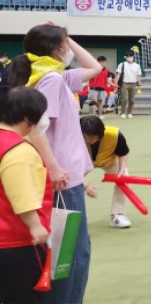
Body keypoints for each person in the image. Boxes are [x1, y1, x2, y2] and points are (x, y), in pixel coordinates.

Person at [9, 24, 102, 304]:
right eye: (64, 43)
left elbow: (94, 68)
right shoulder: (50, 79)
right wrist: (53, 166)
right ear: (55, 49)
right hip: (62, 177)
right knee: (70, 254)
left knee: (70, 251)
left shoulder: (53, 75)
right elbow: (36, 124)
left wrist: (67, 39)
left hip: (66, 175)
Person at [0, 87, 51, 304]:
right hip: (16, 242)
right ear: (27, 119)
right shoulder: (19, 150)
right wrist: (34, 224)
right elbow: (21, 191)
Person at [80, 115, 132, 228]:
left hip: (110, 161)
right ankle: (80, 216)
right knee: (72, 183)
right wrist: (86, 186)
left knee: (124, 179)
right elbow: (73, 170)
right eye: (85, 137)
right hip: (83, 163)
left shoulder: (115, 135)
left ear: (101, 133)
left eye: (92, 137)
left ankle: (118, 215)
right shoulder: (74, 137)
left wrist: (122, 169)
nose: (89, 141)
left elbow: (123, 153)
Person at [113, 51, 143, 119]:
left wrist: (139, 84)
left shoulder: (137, 65)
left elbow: (138, 76)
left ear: (133, 57)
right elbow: (118, 74)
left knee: (132, 100)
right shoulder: (122, 64)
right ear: (126, 57)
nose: (129, 58)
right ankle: (123, 113)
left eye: (130, 56)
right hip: (124, 83)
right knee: (124, 99)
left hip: (133, 83)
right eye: (128, 56)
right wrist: (115, 83)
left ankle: (130, 112)